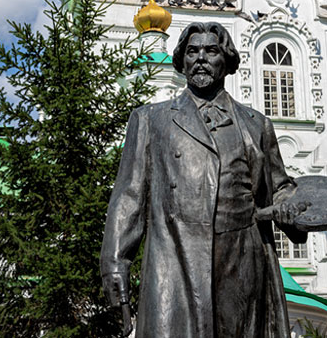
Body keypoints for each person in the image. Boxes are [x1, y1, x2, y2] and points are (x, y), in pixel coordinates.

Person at [100, 21, 307, 338]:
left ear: (226, 61)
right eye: (192, 51)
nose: (200, 58)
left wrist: (289, 208)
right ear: (181, 61)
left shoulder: (256, 124)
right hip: (176, 259)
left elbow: (279, 189)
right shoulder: (150, 119)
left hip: (243, 263)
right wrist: (115, 263)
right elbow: (128, 198)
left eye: (211, 51)